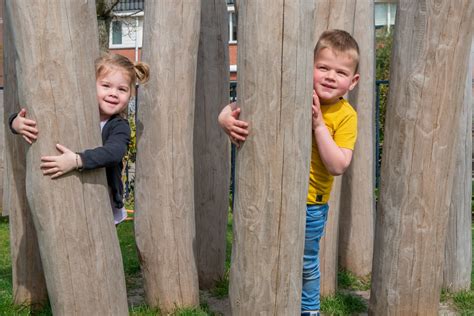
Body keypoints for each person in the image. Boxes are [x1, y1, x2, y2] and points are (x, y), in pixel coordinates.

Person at [218, 29, 360, 316]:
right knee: (262, 253)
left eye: (340, 72)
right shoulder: (293, 92)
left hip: (311, 204)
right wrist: (224, 118)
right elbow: (240, 106)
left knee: (306, 263)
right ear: (307, 67)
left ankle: (309, 311)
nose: (331, 76)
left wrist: (319, 126)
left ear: (353, 82)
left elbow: (338, 165)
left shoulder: (346, 116)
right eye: (323, 68)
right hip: (269, 193)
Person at [9, 53, 150, 225]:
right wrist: (16, 123)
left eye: (122, 89)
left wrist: (77, 160)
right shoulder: (72, 112)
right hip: (67, 192)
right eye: (106, 86)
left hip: (102, 201)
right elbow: (42, 117)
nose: (114, 93)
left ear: (129, 96)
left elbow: (115, 152)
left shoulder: (118, 125)